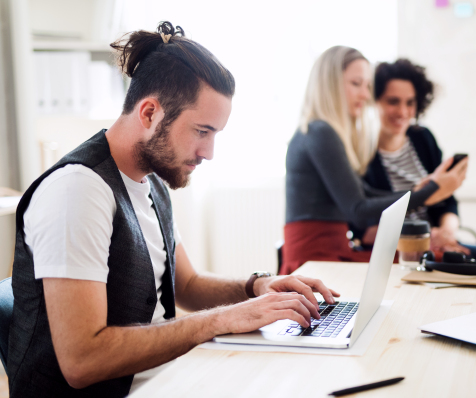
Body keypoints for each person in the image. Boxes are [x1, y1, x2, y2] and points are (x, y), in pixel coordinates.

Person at [8, 22, 339, 397]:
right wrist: (220, 320)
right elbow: (82, 360)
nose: (209, 152)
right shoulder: (77, 191)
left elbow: (188, 286)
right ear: (149, 113)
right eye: (202, 131)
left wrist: (256, 287)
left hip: (167, 380)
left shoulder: (151, 182)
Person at [282, 47, 465, 275]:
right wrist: (429, 193)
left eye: (367, 86)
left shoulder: (323, 131)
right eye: (356, 84)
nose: (365, 95)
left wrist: (422, 190)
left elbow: (364, 193)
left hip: (330, 254)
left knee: (429, 262)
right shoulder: (321, 132)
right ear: (330, 84)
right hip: (316, 261)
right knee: (424, 265)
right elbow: (358, 210)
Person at [363, 58, 476, 260]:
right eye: (393, 101)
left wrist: (446, 232)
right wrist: (424, 239)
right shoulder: (361, 152)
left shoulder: (422, 138)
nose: (403, 112)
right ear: (374, 101)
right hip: (394, 254)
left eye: (410, 103)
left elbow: (448, 201)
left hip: (438, 246)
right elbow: (365, 230)